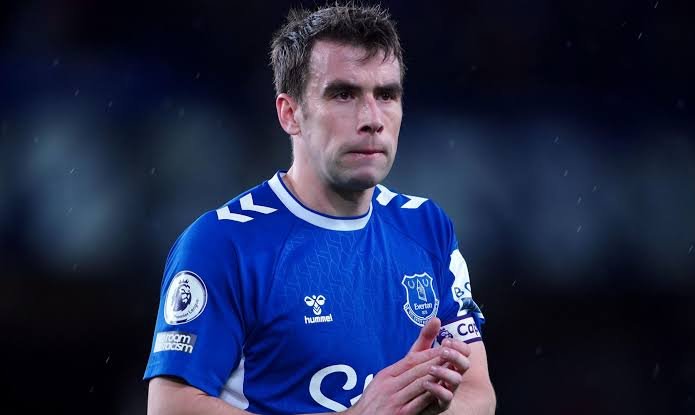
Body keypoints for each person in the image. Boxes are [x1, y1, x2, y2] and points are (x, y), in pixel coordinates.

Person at [144, 4, 496, 415]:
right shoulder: (223, 244)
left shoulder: (426, 227)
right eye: (344, 94)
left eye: (386, 95)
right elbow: (169, 407)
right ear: (290, 113)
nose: (372, 119)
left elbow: (477, 394)